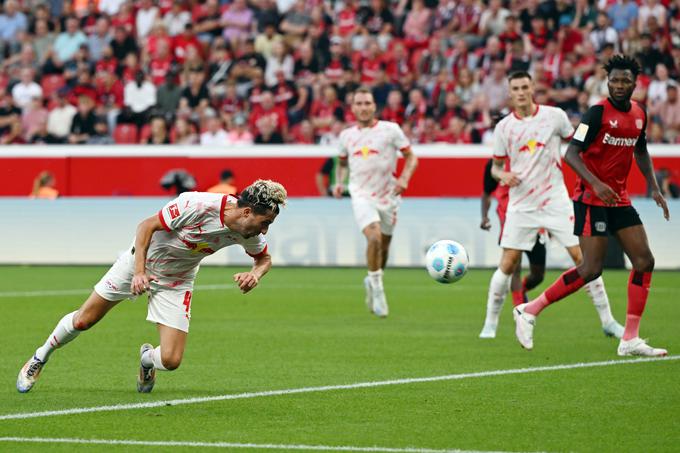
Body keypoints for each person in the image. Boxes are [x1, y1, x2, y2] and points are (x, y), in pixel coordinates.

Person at [17, 180, 287, 394]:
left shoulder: (247, 230)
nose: (265, 231)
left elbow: (264, 259)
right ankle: (40, 357)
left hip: (177, 280)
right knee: (84, 320)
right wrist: (138, 272)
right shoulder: (196, 204)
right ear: (248, 212)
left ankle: (147, 359)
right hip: (139, 263)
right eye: (265, 223)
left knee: (171, 360)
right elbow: (146, 226)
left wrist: (256, 274)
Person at [513, 55, 670, 356]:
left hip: (619, 199)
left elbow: (641, 150)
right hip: (590, 198)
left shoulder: (640, 113)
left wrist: (653, 186)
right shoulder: (596, 113)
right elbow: (572, 154)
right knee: (591, 268)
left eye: (625, 80)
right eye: (614, 80)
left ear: (635, 83)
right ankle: (529, 310)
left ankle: (630, 338)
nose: (620, 85)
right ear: (607, 82)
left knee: (644, 260)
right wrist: (596, 183)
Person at [482, 71, 624, 341]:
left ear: (533, 88)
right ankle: (490, 323)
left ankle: (608, 320)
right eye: (516, 88)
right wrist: (504, 176)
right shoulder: (504, 128)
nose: (521, 92)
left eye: (525, 86)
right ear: (510, 93)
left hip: (556, 202)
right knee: (508, 262)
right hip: (522, 205)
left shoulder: (554, 117)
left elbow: (577, 143)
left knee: (583, 259)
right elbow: (495, 169)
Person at [333, 87, 418, 317]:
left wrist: (404, 178)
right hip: (361, 194)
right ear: (352, 108)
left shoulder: (390, 130)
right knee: (373, 236)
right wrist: (339, 183)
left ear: (374, 106)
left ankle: (372, 279)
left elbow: (411, 157)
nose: (363, 107)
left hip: (388, 195)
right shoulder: (346, 136)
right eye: (358, 103)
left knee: (384, 248)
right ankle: (378, 289)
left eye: (367, 103)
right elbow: (341, 163)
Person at [479, 158, 546, 338]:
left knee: (538, 274)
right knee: (513, 266)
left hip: (534, 220)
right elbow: (486, 193)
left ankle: (521, 290)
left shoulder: (531, 159)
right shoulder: (495, 163)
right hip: (509, 220)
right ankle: (519, 311)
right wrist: (484, 217)